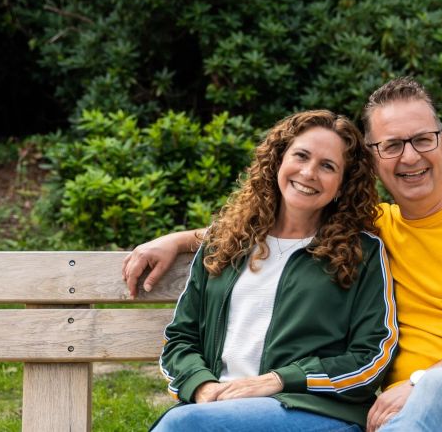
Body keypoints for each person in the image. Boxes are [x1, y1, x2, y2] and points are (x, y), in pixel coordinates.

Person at [124, 78, 442, 431]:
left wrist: (423, 381)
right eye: (392, 145)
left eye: (422, 140)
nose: (410, 157)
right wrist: (177, 240)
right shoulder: (371, 226)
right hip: (402, 414)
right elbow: (278, 225)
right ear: (374, 157)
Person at [151, 110, 398, 431]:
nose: (308, 172)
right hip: (217, 408)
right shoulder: (226, 241)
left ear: (342, 185)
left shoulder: (361, 252)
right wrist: (202, 386)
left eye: (327, 166)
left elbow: (372, 356)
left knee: (181, 426)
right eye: (301, 156)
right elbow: (180, 339)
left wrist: (280, 380)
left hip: (314, 410)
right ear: (278, 160)